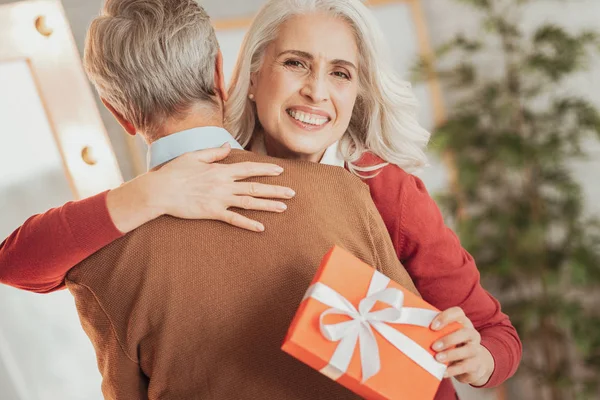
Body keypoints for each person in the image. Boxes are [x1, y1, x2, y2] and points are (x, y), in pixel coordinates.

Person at [0, 0, 522, 398]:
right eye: (297, 64)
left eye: (340, 73)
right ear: (239, 76)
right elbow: (17, 261)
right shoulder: (138, 219)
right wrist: (150, 192)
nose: (318, 91)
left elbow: (492, 335)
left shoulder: (376, 187)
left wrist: (476, 358)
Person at [66, 1, 419, 398]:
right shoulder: (343, 193)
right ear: (221, 71)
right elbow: (413, 366)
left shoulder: (100, 268)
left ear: (117, 112)